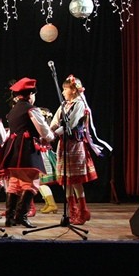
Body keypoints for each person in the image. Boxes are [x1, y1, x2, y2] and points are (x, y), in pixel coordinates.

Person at [50, 74, 110, 225]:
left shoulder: (80, 104)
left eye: (65, 89)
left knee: (75, 180)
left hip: (74, 145)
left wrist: (53, 134)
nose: (63, 92)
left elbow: (70, 124)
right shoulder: (64, 105)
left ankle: (83, 211)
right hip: (63, 145)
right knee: (66, 181)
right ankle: (72, 211)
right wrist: (49, 131)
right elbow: (55, 121)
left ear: (73, 90)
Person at [0, 77, 54, 228]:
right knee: (31, 182)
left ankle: (10, 217)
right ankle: (21, 216)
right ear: (31, 94)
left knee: (14, 183)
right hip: (26, 149)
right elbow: (43, 130)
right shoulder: (32, 109)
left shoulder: (13, 110)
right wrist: (51, 136)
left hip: (13, 150)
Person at [38, 107, 59, 214]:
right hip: (45, 153)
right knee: (39, 182)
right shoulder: (48, 128)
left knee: (40, 182)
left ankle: (51, 204)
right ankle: (49, 203)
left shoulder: (43, 129)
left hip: (42, 155)